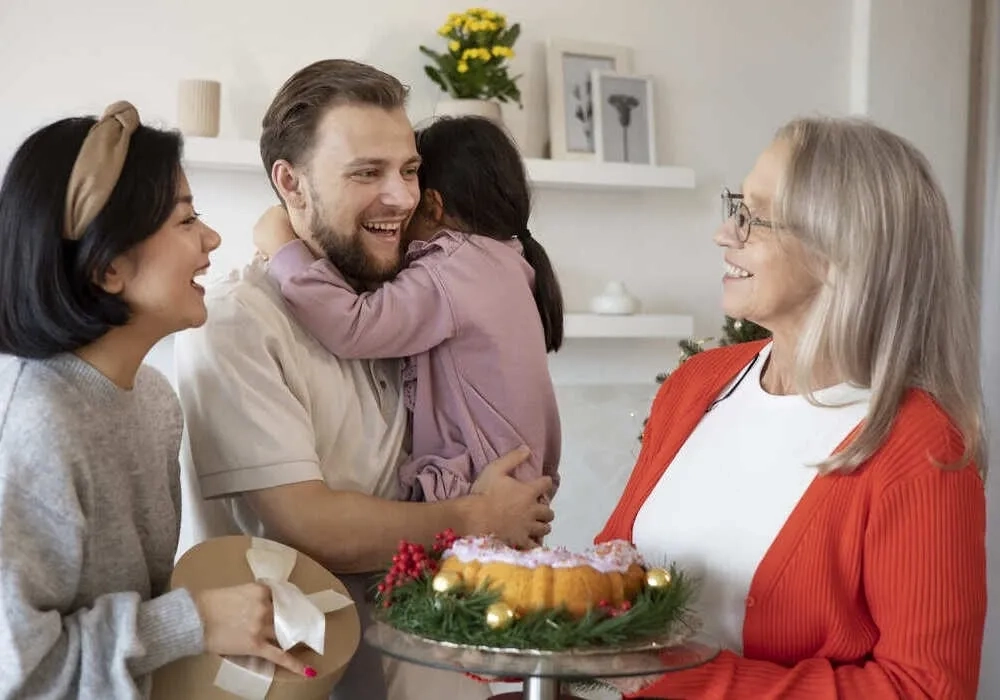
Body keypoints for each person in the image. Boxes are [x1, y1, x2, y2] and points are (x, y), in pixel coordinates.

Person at [174, 60, 554, 700]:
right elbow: (309, 527)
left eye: (409, 170)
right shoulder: (239, 321)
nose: (404, 197)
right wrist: (475, 515)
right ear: (290, 184)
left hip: (437, 662)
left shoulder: (400, 299)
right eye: (366, 173)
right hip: (313, 681)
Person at [596, 117, 986, 699]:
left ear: (839, 250)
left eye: (754, 216)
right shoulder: (696, 383)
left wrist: (681, 678)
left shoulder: (919, 448)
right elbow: (610, 574)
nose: (726, 234)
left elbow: (926, 690)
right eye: (736, 206)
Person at [0, 102, 311, 699]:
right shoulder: (34, 423)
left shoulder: (153, 401)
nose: (212, 238)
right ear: (108, 265)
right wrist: (195, 620)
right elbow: (20, 673)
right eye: (186, 219)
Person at [252, 114, 563, 503]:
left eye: (410, 177)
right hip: (516, 486)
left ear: (432, 207)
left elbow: (354, 326)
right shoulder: (506, 264)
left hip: (477, 492)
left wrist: (284, 249)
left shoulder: (454, 267)